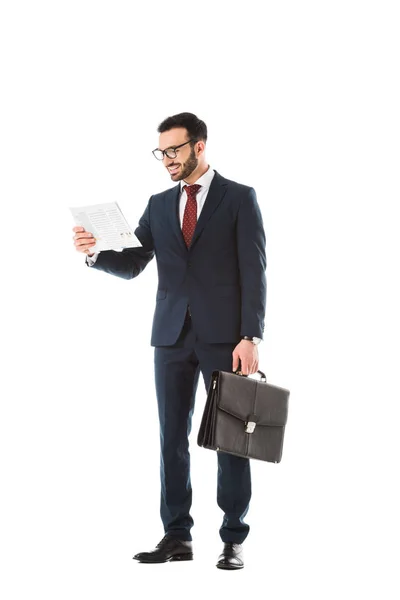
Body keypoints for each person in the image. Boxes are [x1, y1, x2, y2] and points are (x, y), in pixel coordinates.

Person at [72, 112, 266, 570]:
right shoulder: (159, 204)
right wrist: (95, 252)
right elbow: (135, 260)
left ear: (200, 146)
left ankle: (233, 538)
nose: (167, 160)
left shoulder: (238, 198)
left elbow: (254, 271)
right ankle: (176, 535)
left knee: (231, 440)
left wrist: (250, 335)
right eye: (161, 152)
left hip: (226, 339)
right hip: (171, 336)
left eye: (174, 150)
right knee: (170, 439)